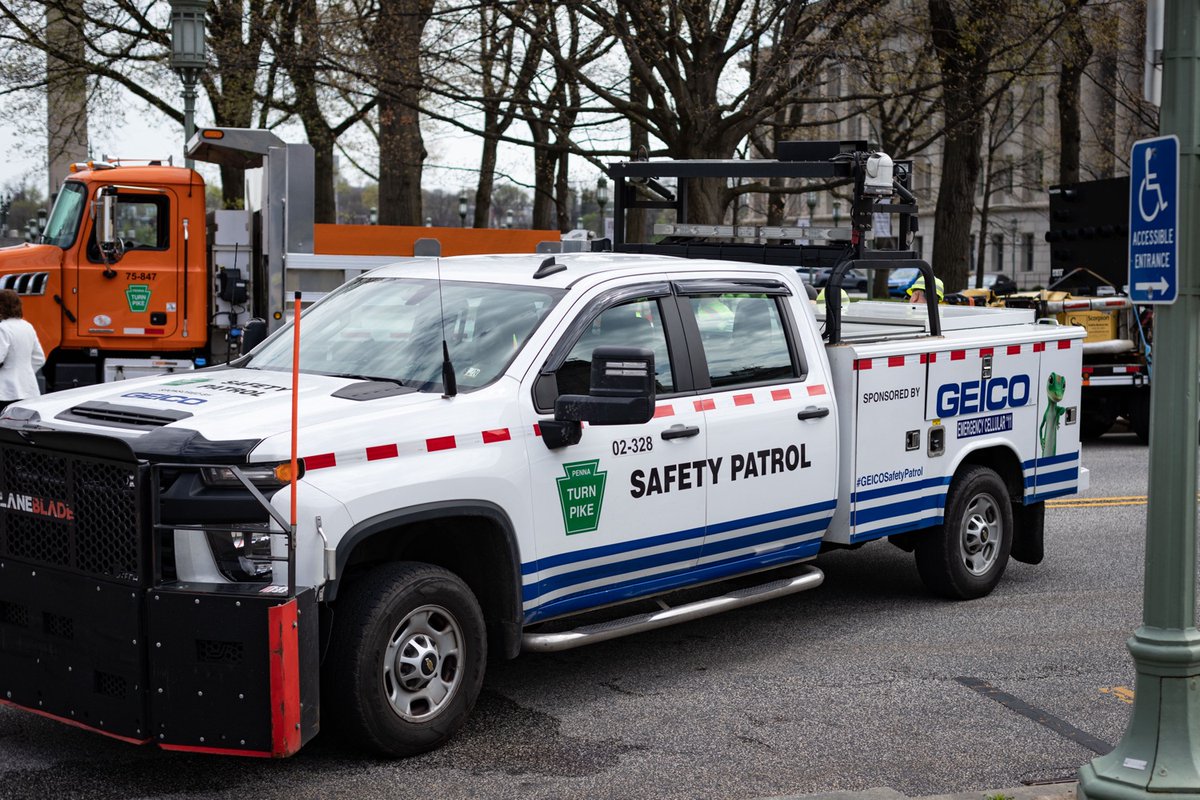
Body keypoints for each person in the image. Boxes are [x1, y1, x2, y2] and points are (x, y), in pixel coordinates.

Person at [0, 290, 45, 408]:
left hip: (4, 391)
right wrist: (24, 373)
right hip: (28, 388)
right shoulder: (27, 326)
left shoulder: (2, 328)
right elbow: (39, 358)